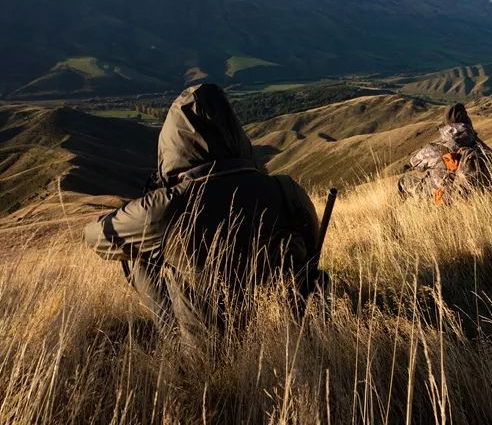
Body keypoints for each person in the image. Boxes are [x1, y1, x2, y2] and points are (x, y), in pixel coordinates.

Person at [84, 84, 323, 331]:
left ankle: (176, 342)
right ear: (234, 132)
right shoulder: (286, 189)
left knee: (139, 254)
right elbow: (312, 250)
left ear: (175, 142)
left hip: (207, 346)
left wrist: (135, 208)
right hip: (289, 325)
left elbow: (95, 237)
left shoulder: (168, 206)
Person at [398, 103, 492, 204]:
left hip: (441, 197)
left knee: (403, 181)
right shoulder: (481, 147)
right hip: (480, 197)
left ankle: (397, 211)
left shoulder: (435, 149)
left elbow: (415, 164)